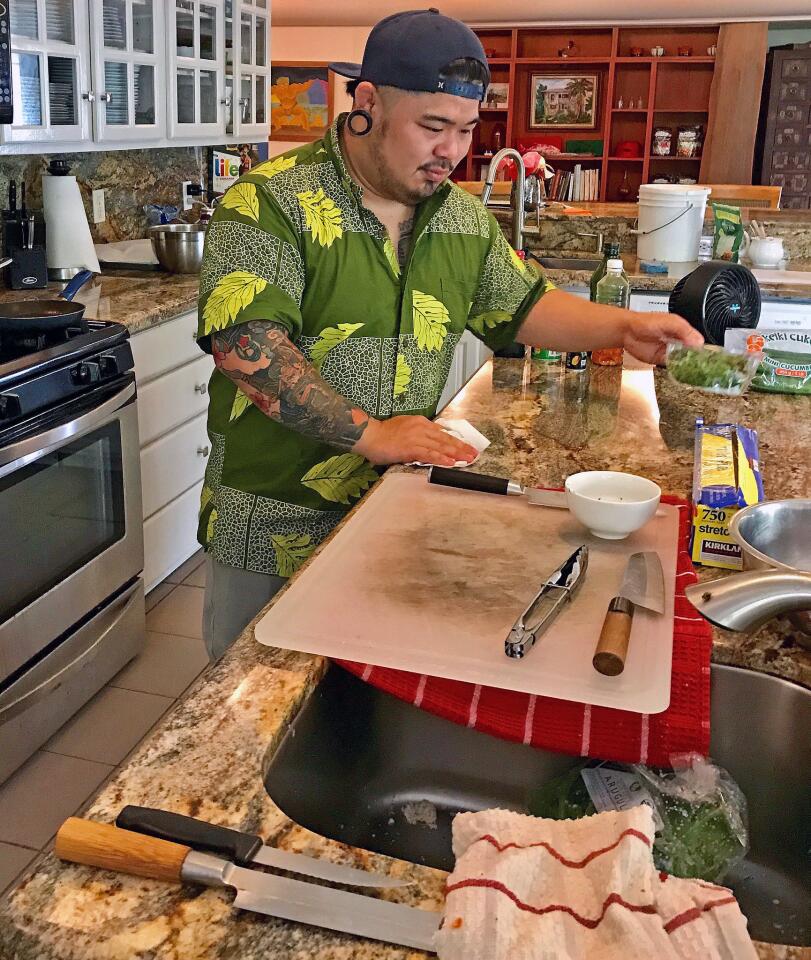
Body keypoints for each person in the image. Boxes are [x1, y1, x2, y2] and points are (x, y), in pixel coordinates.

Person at [196, 8, 702, 660]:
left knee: (360, 701)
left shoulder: (460, 218)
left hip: (393, 509)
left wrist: (622, 324)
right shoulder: (268, 202)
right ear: (369, 103)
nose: (452, 151)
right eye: (432, 127)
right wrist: (370, 434)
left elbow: (521, 306)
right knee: (250, 706)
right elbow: (249, 349)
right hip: (275, 517)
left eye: (465, 130)